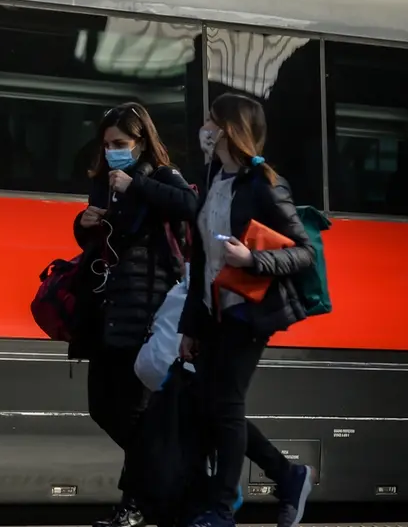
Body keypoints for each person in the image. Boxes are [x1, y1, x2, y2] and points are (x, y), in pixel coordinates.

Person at [178, 93, 317, 527]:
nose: (204, 128)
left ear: (228, 128)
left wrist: (252, 260)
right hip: (212, 311)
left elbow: (304, 251)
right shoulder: (213, 177)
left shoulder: (264, 184)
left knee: (227, 405)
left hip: (248, 313)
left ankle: (221, 510)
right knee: (211, 406)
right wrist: (190, 326)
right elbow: (201, 261)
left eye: (210, 121)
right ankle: (287, 474)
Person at [72, 102, 198, 527]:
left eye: (121, 143)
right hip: (109, 309)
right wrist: (85, 221)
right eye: (107, 144)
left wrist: (135, 187)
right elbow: (102, 239)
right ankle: (162, 482)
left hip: (146, 311)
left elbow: (189, 206)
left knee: (135, 411)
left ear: (141, 141)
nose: (112, 152)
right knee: (103, 407)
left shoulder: (160, 176)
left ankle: (137, 502)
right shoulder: (104, 182)